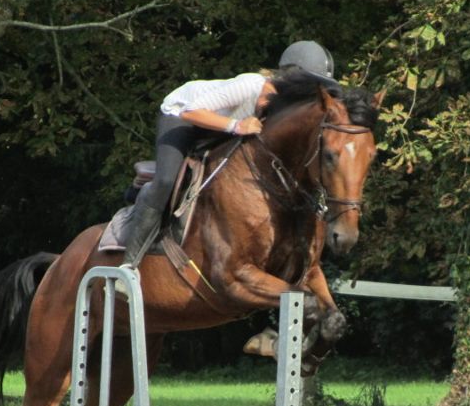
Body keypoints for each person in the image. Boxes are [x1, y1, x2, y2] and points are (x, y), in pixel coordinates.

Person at [119, 40, 337, 268]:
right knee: (165, 180)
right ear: (293, 75)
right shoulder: (251, 84)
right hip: (182, 115)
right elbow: (190, 112)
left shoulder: (282, 108)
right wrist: (237, 126)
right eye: (312, 84)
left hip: (218, 124)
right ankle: (130, 262)